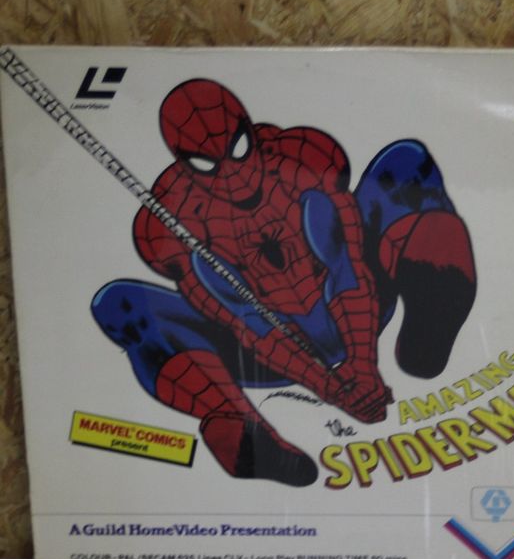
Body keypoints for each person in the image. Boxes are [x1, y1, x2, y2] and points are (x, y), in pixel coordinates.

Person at [92, 79, 476, 486]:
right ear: (184, 162)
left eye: (238, 148)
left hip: (355, 304)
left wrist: (363, 365)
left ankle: (428, 324)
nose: (234, 175)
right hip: (259, 352)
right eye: (207, 164)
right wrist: (327, 386)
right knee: (119, 305)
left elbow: (347, 266)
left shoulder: (301, 158)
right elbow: (242, 320)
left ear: (248, 129)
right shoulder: (174, 221)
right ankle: (241, 428)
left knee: (405, 164)